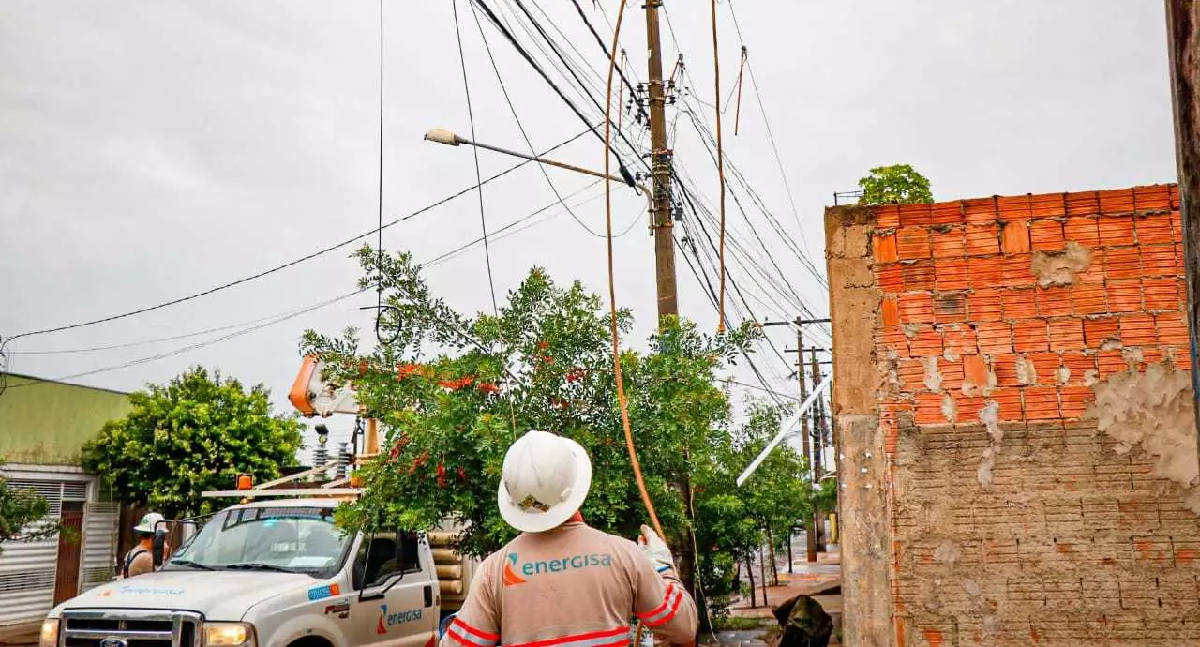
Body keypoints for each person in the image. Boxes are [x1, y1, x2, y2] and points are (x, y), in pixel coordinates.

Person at [440, 430, 697, 647]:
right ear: (575, 486)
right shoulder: (625, 556)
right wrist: (661, 566)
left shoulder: (494, 571)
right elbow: (684, 626)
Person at [122, 512, 167, 578]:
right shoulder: (147, 558)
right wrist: (164, 555)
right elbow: (161, 578)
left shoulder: (131, 552)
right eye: (163, 537)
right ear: (158, 537)